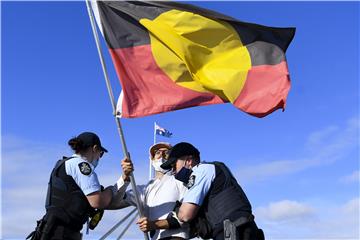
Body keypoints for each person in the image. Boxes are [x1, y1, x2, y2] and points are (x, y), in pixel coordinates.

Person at [137, 142, 264, 240]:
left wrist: (178, 213)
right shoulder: (212, 170)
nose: (173, 171)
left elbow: (185, 215)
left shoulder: (201, 171)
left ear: (189, 161)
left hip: (233, 230)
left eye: (174, 164)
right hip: (240, 228)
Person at [27, 132, 132, 240]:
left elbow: (108, 203)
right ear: (94, 148)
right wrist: (110, 190)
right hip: (61, 234)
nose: (99, 158)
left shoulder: (66, 164)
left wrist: (124, 179)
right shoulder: (82, 165)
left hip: (51, 231)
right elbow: (98, 201)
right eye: (100, 154)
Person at [109, 142, 190, 240]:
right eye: (157, 152)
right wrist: (125, 177)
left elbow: (187, 216)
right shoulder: (144, 189)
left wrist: (154, 224)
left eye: (166, 152)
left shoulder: (181, 181)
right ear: (151, 160)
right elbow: (114, 202)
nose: (161, 155)